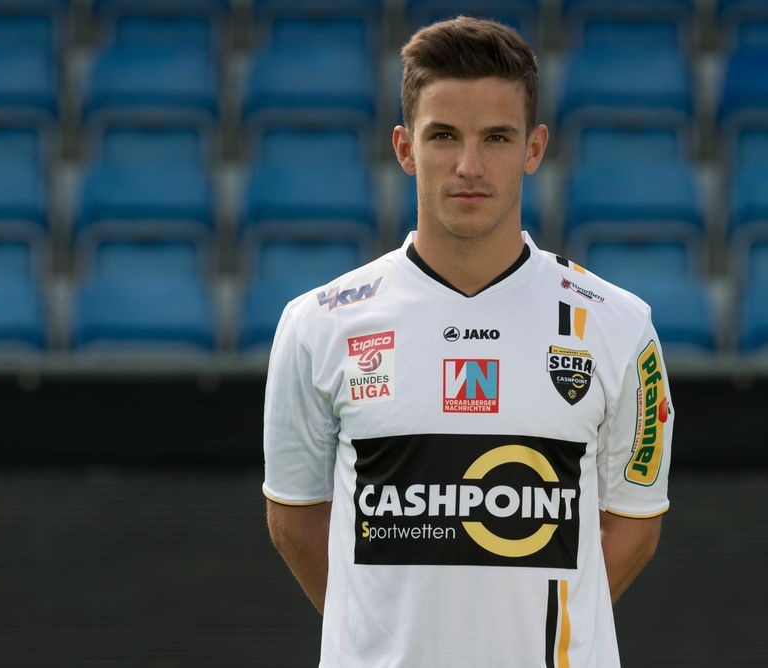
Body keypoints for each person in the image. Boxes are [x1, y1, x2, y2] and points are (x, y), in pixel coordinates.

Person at [263, 16, 674, 667]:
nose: (469, 166)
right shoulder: (318, 324)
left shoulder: (618, 326)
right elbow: (294, 519)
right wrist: (381, 633)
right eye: (444, 136)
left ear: (534, 148)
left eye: (497, 138)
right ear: (405, 148)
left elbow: (635, 523)